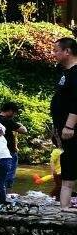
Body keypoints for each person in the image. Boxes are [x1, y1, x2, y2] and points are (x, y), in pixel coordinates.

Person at [50, 37, 77, 212]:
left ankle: (66, 204)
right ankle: (65, 205)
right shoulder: (63, 72)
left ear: (67, 51)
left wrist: (69, 126)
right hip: (62, 127)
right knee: (67, 160)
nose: (54, 54)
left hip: (71, 128)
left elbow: (76, 102)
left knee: (72, 160)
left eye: (56, 50)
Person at [0, 101, 25, 203]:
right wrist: (20, 124)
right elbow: (23, 130)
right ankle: (5, 198)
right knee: (8, 176)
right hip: (9, 152)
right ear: (10, 111)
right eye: (14, 113)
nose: (14, 115)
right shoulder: (7, 121)